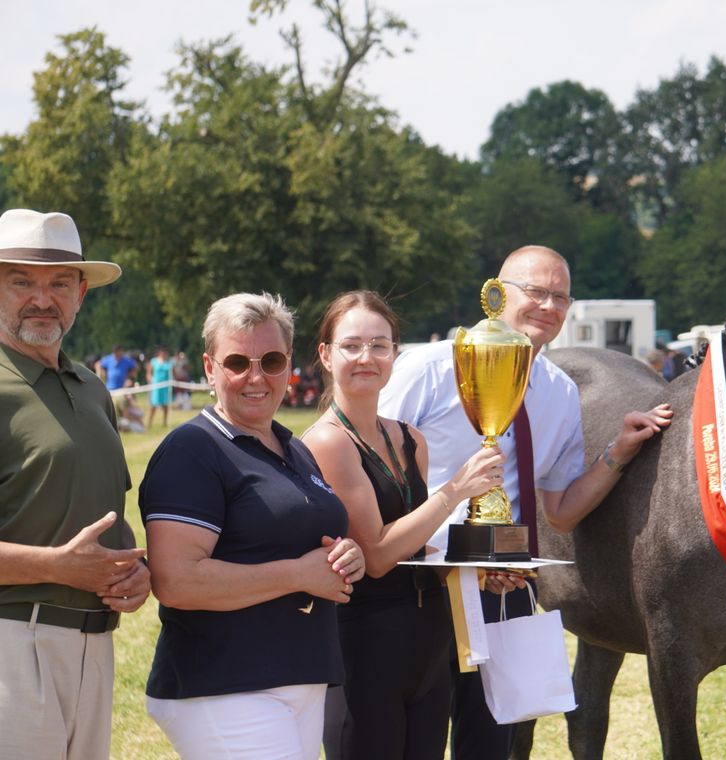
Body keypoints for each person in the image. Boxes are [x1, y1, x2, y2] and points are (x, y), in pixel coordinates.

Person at [379, 245, 673, 759]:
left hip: (503, 586)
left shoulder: (558, 391)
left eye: (561, 297)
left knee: (493, 743)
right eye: (536, 291)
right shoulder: (427, 368)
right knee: (412, 741)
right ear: (497, 292)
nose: (549, 306)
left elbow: (559, 508)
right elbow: (373, 471)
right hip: (416, 583)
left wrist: (616, 454)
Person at [140, 292, 366, 759]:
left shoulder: (294, 448)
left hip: (299, 676)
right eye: (238, 361)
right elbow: (176, 580)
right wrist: (299, 574)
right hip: (224, 686)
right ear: (209, 367)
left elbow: (303, 541)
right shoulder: (193, 450)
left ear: (290, 366)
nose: (256, 376)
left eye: (272, 360)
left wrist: (348, 557)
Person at [301, 291, 506, 760]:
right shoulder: (328, 442)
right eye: (351, 345)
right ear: (326, 355)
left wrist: (473, 570)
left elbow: (418, 546)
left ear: (395, 352)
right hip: (367, 644)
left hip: (429, 639)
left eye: (379, 344)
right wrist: (455, 490)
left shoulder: (409, 437)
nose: (366, 357)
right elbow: (374, 555)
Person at [0, 208, 151, 760]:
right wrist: (54, 567)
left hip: (94, 646)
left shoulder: (90, 388)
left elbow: (110, 509)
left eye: (59, 282)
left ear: (81, 292)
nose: (43, 298)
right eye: (22, 281)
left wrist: (136, 572)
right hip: (12, 644)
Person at [147, 345, 173, 428]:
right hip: (156, 386)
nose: (164, 353)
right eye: (162, 351)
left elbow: (173, 373)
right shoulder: (153, 361)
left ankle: (164, 422)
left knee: (165, 405)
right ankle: (149, 423)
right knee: (153, 405)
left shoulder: (168, 362)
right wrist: (151, 381)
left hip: (165, 387)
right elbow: (148, 373)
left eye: (165, 352)